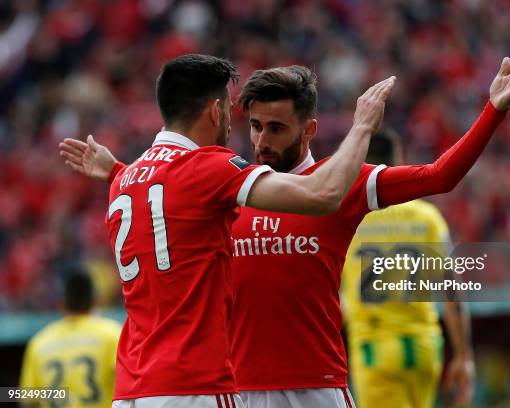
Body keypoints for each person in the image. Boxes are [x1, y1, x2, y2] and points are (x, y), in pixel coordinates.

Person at [60, 51, 510, 407]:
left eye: (277, 129)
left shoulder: (341, 180)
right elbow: (172, 192)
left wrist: (492, 111)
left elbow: (439, 177)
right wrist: (120, 168)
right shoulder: (228, 185)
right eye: (256, 126)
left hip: (317, 389)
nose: (262, 140)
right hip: (237, 389)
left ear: (308, 130)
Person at [59, 53, 394, 408]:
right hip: (196, 387)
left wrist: (116, 171)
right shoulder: (210, 167)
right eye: (234, 113)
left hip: (131, 390)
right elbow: (324, 194)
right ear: (216, 111)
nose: (237, 128)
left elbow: (168, 195)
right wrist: (362, 128)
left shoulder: (124, 181)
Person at [342, 129, 473, 408]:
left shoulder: (349, 218)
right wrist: (463, 355)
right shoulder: (428, 217)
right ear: (399, 162)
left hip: (374, 350)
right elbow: (451, 290)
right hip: (424, 348)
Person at [20, 270, 122, 408]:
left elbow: (29, 400)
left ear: (62, 303)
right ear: (97, 301)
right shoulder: (113, 334)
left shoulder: (39, 341)